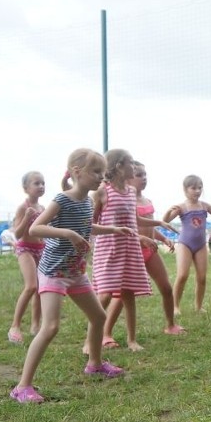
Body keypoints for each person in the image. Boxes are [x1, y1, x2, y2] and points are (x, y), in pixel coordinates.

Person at [10, 149, 127, 403]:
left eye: (103, 172)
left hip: (76, 272)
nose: (101, 177)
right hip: (54, 272)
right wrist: (68, 234)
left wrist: (113, 229)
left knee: (98, 316)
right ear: (76, 172)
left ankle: (94, 364)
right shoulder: (61, 200)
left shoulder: (87, 201)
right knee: (50, 327)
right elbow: (35, 227)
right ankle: (22, 386)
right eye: (96, 172)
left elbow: (86, 226)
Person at [108, 161, 185, 337]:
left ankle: (170, 325)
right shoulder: (125, 200)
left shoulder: (147, 201)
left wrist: (163, 238)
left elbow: (149, 228)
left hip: (150, 251)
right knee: (122, 297)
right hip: (131, 252)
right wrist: (140, 239)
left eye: (145, 175)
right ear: (127, 178)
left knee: (166, 287)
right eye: (138, 175)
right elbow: (125, 227)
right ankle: (106, 333)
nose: (143, 178)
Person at [90, 149, 154, 352]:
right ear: (119, 166)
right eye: (130, 164)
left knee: (128, 294)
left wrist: (143, 235)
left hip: (130, 249)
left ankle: (132, 340)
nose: (133, 168)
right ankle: (90, 341)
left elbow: (133, 221)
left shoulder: (131, 192)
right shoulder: (102, 191)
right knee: (106, 294)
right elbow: (90, 222)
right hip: (109, 249)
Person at [163, 175, 211, 314]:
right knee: (182, 275)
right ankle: (175, 306)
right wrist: (168, 211)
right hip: (185, 244)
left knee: (202, 277)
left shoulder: (205, 206)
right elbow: (165, 222)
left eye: (199, 188)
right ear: (185, 189)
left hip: (200, 245)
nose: (197, 191)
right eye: (193, 188)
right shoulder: (181, 207)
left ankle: (198, 306)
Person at [7, 171, 46, 344]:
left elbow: (44, 230)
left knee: (40, 289)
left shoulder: (43, 209)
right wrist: (27, 217)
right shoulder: (23, 207)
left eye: (43, 183)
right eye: (36, 183)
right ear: (26, 188)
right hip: (25, 249)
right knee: (31, 286)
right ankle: (14, 326)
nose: (41, 186)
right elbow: (17, 233)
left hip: (41, 248)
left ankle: (35, 326)